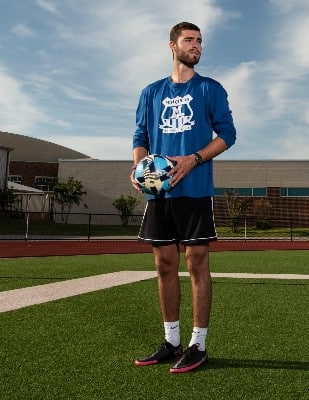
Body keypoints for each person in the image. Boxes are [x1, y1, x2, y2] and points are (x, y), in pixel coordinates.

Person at [130, 22, 236, 373]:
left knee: (196, 261)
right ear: (172, 45)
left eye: (200, 41)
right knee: (163, 263)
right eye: (189, 40)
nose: (197, 46)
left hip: (195, 188)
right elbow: (140, 135)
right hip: (160, 192)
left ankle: (199, 344)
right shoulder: (151, 92)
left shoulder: (210, 89)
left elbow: (228, 134)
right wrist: (140, 169)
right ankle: (171, 341)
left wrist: (195, 159)